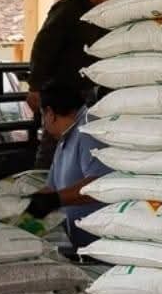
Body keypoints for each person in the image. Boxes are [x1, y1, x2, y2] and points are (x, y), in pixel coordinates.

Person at [23, 83, 116, 260]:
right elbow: (52, 188)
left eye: (42, 116)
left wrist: (55, 199)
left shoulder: (88, 131)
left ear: (50, 113)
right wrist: (22, 205)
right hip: (78, 244)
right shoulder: (65, 138)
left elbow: (101, 184)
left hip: (101, 246)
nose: (44, 123)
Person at [28, 0, 137, 107]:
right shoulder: (68, 9)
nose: (103, 0)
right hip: (63, 89)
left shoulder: (112, 11)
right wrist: (34, 86)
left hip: (95, 88)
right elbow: (44, 47)